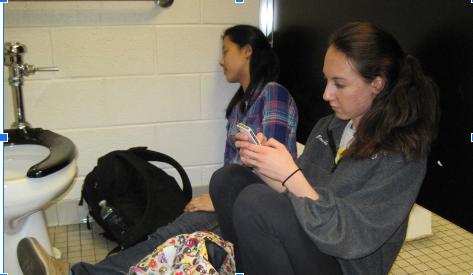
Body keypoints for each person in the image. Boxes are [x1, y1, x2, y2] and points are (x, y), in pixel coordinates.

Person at [17, 25, 298, 275]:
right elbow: (233, 169)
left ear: (247, 50)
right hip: (236, 202)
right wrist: (217, 196)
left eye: (226, 51)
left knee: (170, 237)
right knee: (169, 239)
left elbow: (270, 171)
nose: (221, 61)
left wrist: (219, 201)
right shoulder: (240, 108)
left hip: (257, 209)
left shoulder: (273, 94)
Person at [210, 22, 439, 275]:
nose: (327, 94)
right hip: (312, 237)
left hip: (345, 263)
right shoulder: (329, 127)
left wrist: (289, 174)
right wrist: (264, 164)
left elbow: (349, 238)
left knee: (256, 202)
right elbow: (296, 194)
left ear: (377, 84)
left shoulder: (402, 154)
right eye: (327, 81)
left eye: (339, 84)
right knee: (228, 179)